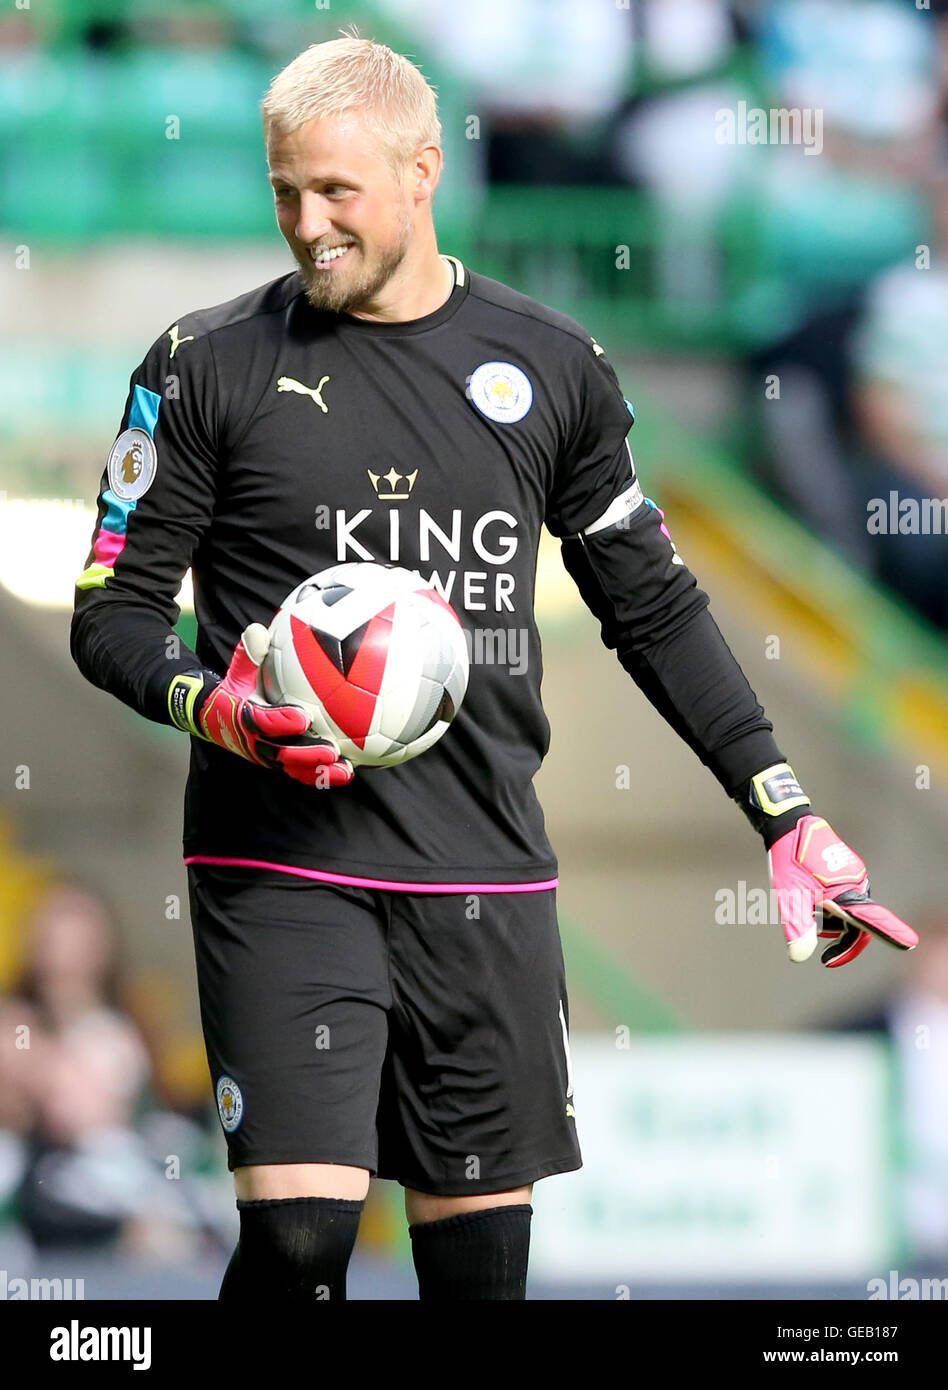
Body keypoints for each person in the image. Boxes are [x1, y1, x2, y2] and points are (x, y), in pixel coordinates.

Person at [70, 33, 918, 1303]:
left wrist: (780, 806)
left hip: (485, 873)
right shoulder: (205, 365)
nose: (308, 225)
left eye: (337, 191)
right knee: (301, 1244)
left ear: (423, 171)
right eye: (285, 191)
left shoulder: (555, 367)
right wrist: (221, 709)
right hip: (279, 860)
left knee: (479, 1276)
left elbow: (655, 607)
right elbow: (111, 613)